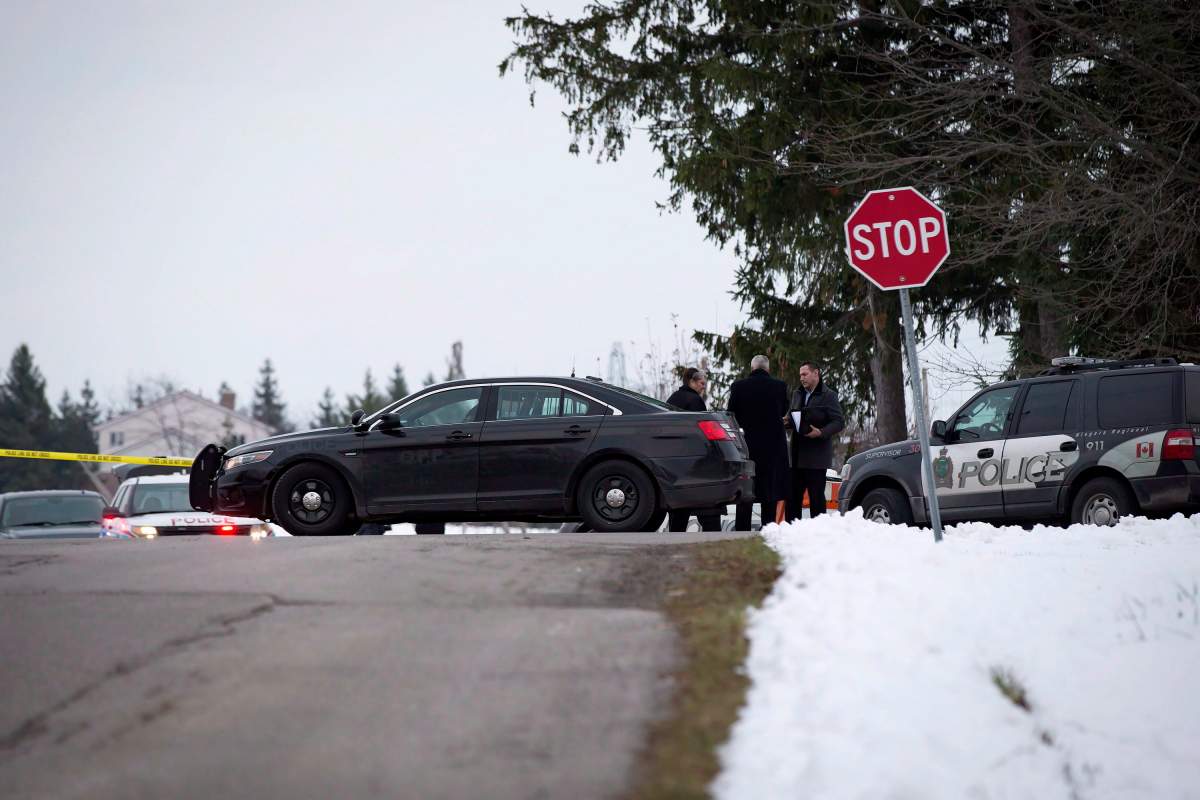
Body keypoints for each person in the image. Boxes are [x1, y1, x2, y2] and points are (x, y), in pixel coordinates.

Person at [727, 355, 790, 530]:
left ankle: (742, 531)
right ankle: (768, 529)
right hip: (773, 447)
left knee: (746, 490)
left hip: (747, 445)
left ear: (752, 368)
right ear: (768, 369)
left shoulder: (738, 386)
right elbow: (783, 410)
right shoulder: (779, 386)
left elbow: (731, 413)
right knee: (769, 492)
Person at [665, 368, 722, 532]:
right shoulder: (695, 400)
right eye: (702, 383)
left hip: (673, 460)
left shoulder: (673, 398)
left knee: (678, 511)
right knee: (707, 509)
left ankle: (675, 538)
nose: (704, 387)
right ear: (691, 381)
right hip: (693, 460)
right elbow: (702, 431)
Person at [787, 361, 844, 519]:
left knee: (816, 499)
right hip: (796, 456)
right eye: (800, 375)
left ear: (816, 373)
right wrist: (786, 421)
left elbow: (839, 422)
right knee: (792, 499)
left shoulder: (829, 395)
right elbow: (792, 415)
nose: (801, 378)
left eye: (805, 374)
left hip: (816, 459)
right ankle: (791, 530)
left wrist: (821, 432)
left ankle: (818, 531)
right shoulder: (797, 394)